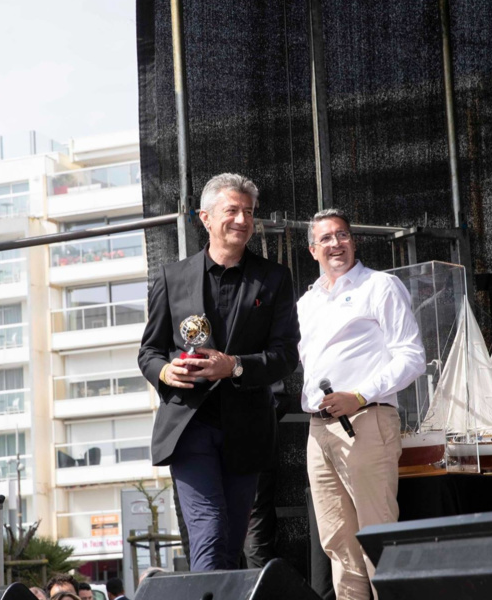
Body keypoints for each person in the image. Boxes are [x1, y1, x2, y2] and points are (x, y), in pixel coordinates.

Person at [138, 173, 300, 571]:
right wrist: (166, 373)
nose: (242, 220)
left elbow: (285, 356)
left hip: (246, 428)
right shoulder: (171, 277)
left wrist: (236, 366)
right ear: (205, 218)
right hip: (190, 425)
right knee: (209, 530)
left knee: (231, 543)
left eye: (248, 212)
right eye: (232, 210)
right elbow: (149, 352)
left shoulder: (273, 278)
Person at [298, 208, 425, 600]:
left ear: (353, 241)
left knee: (378, 540)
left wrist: (359, 395)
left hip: (366, 422)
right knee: (337, 543)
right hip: (318, 431)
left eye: (342, 235)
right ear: (312, 249)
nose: (336, 243)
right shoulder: (306, 302)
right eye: (326, 238)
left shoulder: (380, 286)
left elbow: (412, 356)